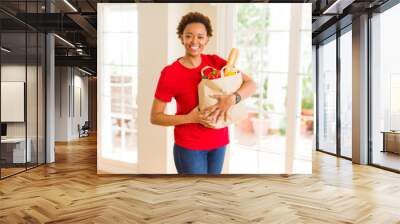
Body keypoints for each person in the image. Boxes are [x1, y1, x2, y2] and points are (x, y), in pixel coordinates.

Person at [150, 12, 256, 174]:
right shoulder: (170, 73)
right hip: (189, 146)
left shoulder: (216, 63)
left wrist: (232, 99)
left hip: (219, 141)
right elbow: (155, 117)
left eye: (200, 37)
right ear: (181, 38)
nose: (194, 41)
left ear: (207, 40)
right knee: (194, 196)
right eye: (189, 36)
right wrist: (189, 118)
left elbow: (251, 84)